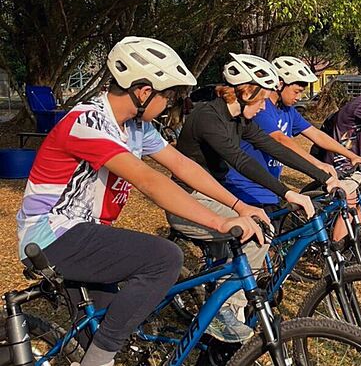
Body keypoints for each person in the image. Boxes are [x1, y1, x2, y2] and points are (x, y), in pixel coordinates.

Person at [16, 37, 266, 366]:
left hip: (84, 232)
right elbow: (149, 180)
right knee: (163, 258)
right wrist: (219, 222)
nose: (171, 103)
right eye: (169, 96)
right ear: (144, 91)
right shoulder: (87, 123)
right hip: (51, 235)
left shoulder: (136, 126)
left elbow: (181, 165)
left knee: (106, 329)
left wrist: (239, 206)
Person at [168, 52, 341, 342]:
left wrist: (324, 176)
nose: (264, 106)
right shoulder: (208, 116)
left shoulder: (238, 119)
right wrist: (287, 192)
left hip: (214, 194)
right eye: (261, 98)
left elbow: (274, 149)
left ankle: (225, 292)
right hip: (188, 199)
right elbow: (240, 160)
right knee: (258, 232)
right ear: (245, 92)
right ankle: (224, 309)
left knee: (258, 226)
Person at [223, 56, 361, 241]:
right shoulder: (261, 107)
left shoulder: (288, 110)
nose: (299, 97)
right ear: (280, 84)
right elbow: (280, 140)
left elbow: (316, 135)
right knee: (256, 248)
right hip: (246, 187)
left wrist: (351, 155)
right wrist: (317, 165)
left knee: (270, 246)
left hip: (270, 189)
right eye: (297, 91)